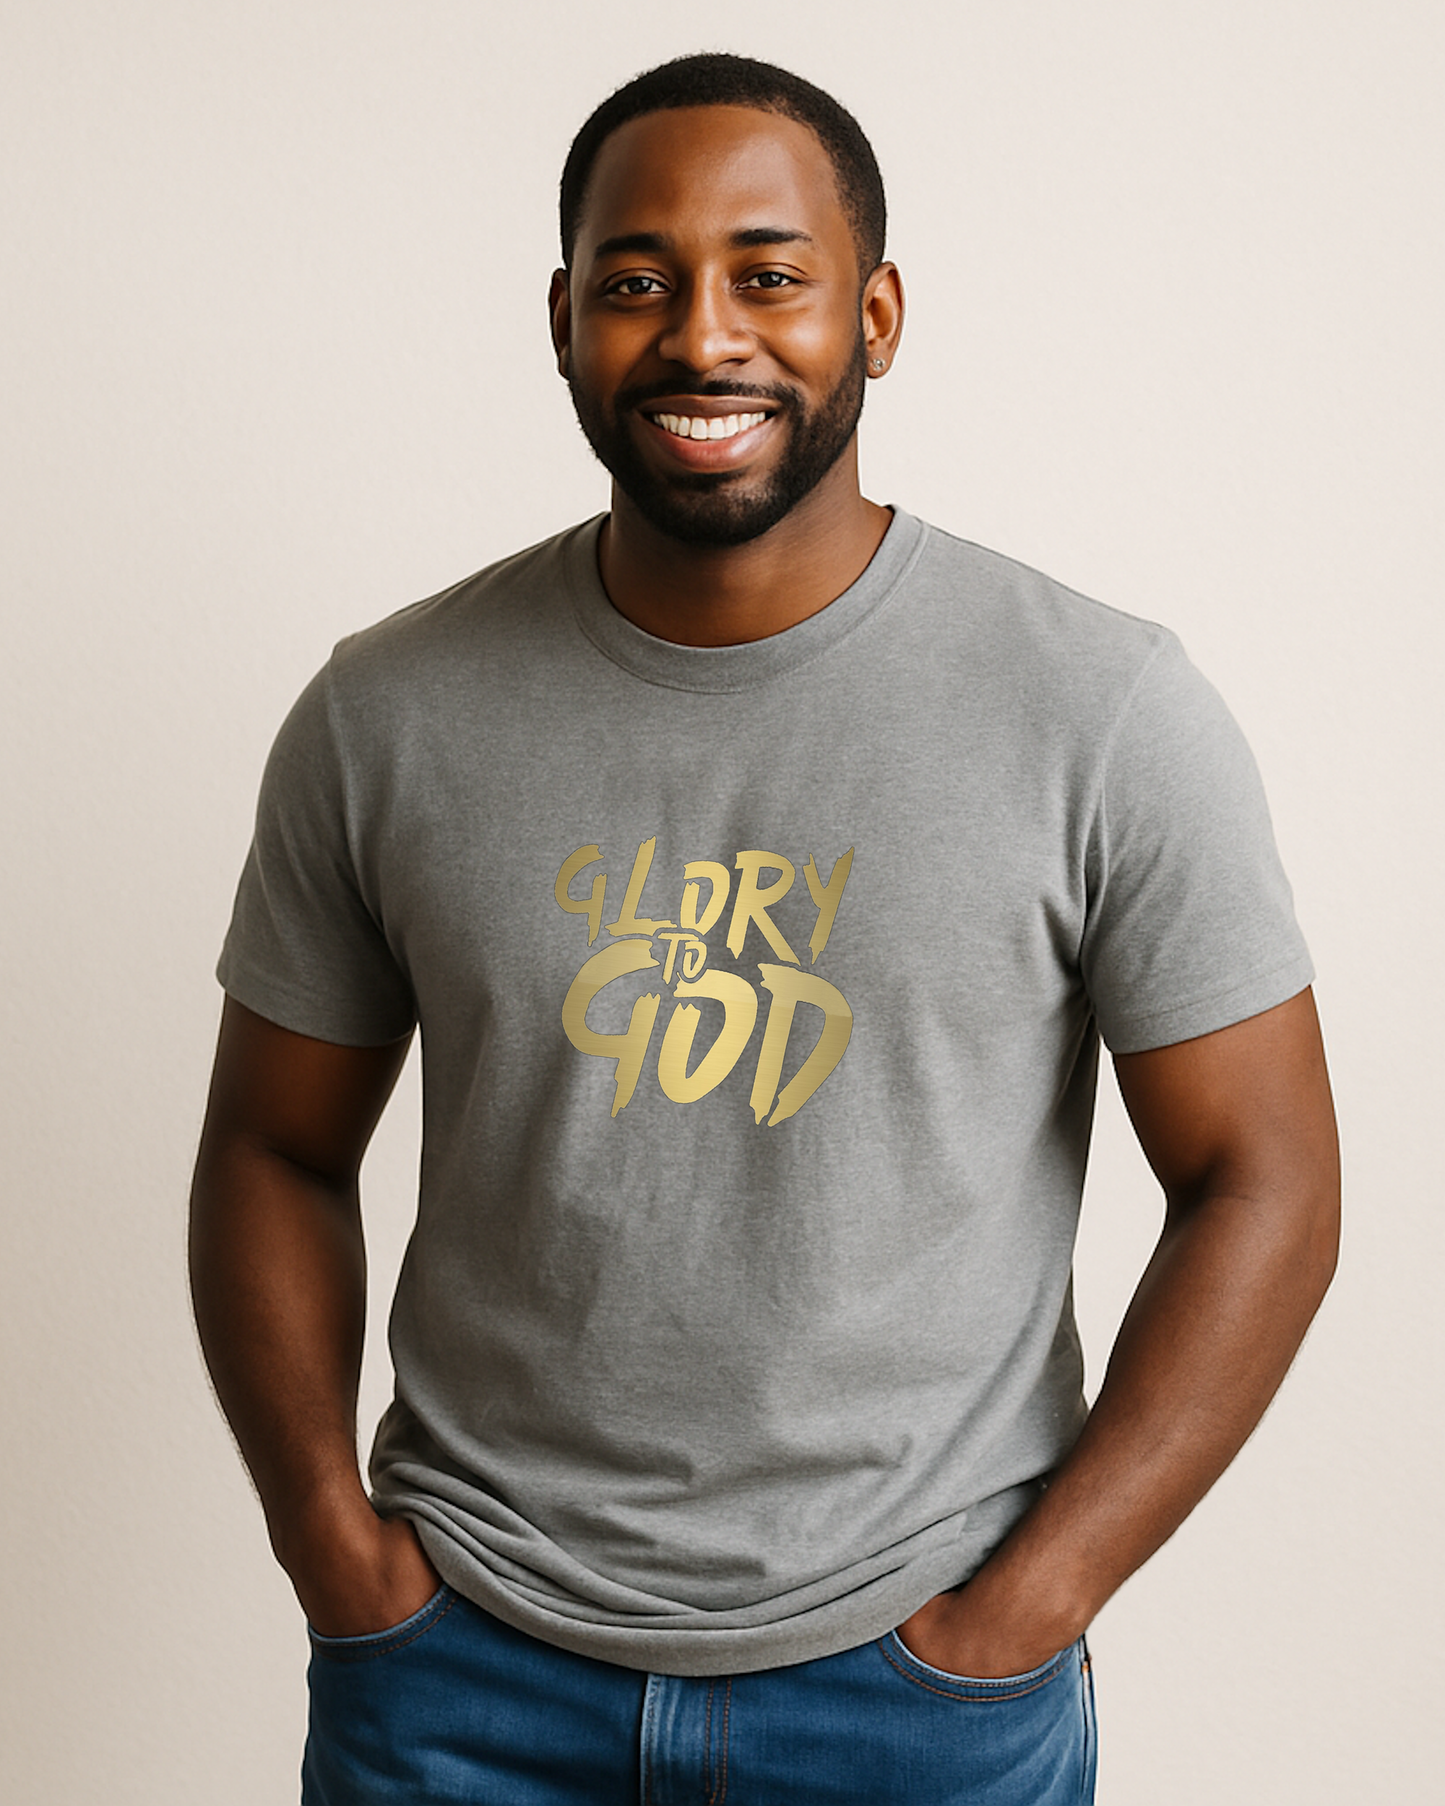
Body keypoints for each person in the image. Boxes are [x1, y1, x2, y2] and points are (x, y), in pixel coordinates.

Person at [189, 51, 1340, 1806]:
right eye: (636, 280)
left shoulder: (1098, 709)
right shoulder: (387, 715)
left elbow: (1269, 1177)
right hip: (460, 1683)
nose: (700, 335)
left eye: (768, 276)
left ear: (874, 314)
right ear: (563, 318)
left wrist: (1034, 1604)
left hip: (915, 1692)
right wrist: (332, 1554)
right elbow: (274, 1144)